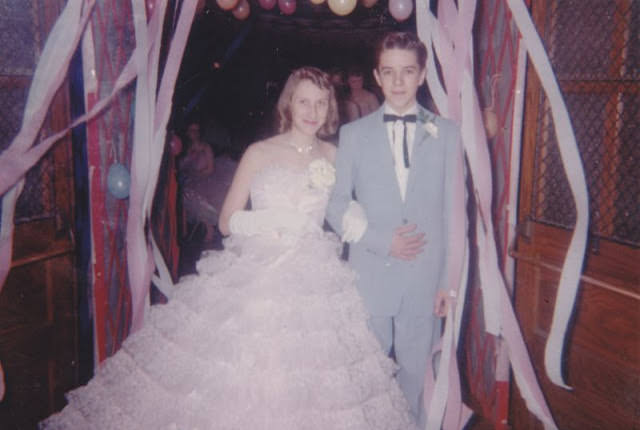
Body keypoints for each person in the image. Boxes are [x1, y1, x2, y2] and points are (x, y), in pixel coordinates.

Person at [41, 66, 417, 429]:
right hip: (258, 272)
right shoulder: (259, 152)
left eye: (320, 103)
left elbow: (345, 211)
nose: (312, 112)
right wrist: (271, 222)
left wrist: (367, 226)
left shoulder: (334, 157)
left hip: (315, 273)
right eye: (304, 102)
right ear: (289, 103)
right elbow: (226, 220)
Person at [326, 32, 462, 426]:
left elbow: (455, 215)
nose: (398, 82)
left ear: (421, 76)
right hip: (369, 274)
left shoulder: (447, 134)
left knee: (417, 376)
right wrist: (381, 241)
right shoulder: (354, 134)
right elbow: (336, 205)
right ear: (376, 76)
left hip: (424, 278)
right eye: (389, 72)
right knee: (365, 375)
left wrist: (447, 283)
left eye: (407, 72)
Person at [178, 121, 218, 244]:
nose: (194, 133)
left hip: (206, 179)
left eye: (196, 130)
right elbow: (182, 168)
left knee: (194, 196)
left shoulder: (206, 147)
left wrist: (197, 175)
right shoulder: (186, 149)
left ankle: (209, 229)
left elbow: (211, 169)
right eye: (191, 130)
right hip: (191, 181)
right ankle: (183, 232)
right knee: (184, 192)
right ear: (187, 133)